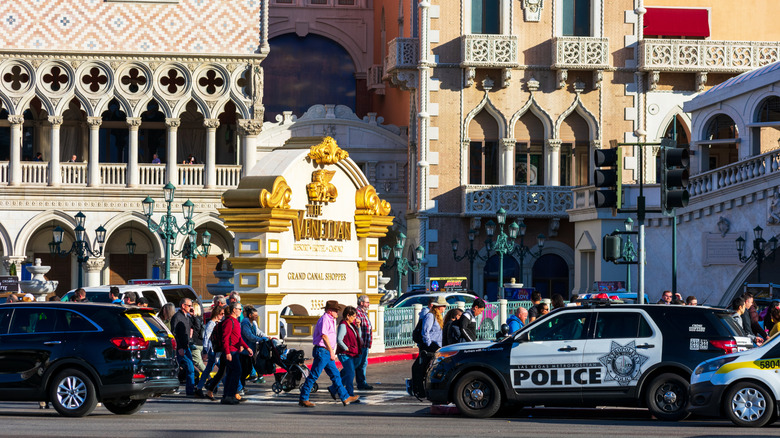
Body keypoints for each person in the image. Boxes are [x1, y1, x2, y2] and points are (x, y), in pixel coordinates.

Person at [298, 300, 359, 407]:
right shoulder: (325, 319)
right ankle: (303, 398)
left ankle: (345, 397)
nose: (337, 313)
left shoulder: (331, 319)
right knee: (314, 375)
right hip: (323, 351)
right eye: (336, 310)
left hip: (326, 351)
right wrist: (331, 351)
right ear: (330, 311)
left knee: (336, 375)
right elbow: (324, 336)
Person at [221, 301, 252, 405]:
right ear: (234, 310)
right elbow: (225, 338)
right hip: (231, 352)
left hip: (235, 351)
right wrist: (227, 352)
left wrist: (247, 347)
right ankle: (229, 395)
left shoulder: (236, 321)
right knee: (236, 372)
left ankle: (227, 396)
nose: (241, 311)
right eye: (239, 309)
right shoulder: (229, 321)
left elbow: (238, 337)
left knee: (231, 374)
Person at [328, 306, 362, 400]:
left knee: (346, 373)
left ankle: (333, 388)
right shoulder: (343, 325)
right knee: (350, 374)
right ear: (348, 315)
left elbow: (358, 337)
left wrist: (358, 326)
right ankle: (349, 394)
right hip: (345, 354)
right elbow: (339, 339)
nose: (354, 318)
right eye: (353, 316)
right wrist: (346, 348)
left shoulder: (351, 325)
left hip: (352, 353)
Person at [196, 305, 225, 399]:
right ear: (217, 314)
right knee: (223, 370)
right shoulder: (211, 324)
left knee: (208, 369)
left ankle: (200, 387)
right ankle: (214, 385)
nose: (222, 316)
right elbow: (206, 338)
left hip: (216, 350)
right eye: (221, 314)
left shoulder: (218, 323)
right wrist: (205, 350)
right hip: (212, 350)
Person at [171, 298, 196, 397]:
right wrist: (179, 347)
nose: (191, 308)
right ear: (183, 306)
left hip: (187, 346)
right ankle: (190, 391)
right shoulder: (177, 317)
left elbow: (196, 327)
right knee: (190, 368)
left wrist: (194, 316)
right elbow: (174, 333)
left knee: (186, 368)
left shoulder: (187, 317)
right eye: (189, 306)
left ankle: (189, 389)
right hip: (181, 348)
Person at [240, 305, 268, 387]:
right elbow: (249, 336)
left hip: (252, 349)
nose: (256, 317)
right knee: (245, 369)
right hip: (246, 350)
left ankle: (241, 386)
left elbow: (258, 332)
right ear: (250, 315)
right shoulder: (245, 323)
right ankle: (240, 386)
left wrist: (266, 336)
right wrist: (260, 339)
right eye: (255, 316)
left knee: (248, 369)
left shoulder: (253, 322)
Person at [354, 294, 373, 390]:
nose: (368, 304)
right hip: (360, 344)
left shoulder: (364, 313)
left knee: (362, 364)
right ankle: (340, 381)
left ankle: (361, 383)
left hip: (365, 344)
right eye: (367, 302)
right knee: (356, 364)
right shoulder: (357, 313)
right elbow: (356, 328)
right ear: (361, 303)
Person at [190, 302, 206, 376]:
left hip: (194, 343)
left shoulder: (193, 319)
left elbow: (195, 328)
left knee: (198, 362)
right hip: (200, 343)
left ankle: (209, 377)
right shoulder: (200, 318)